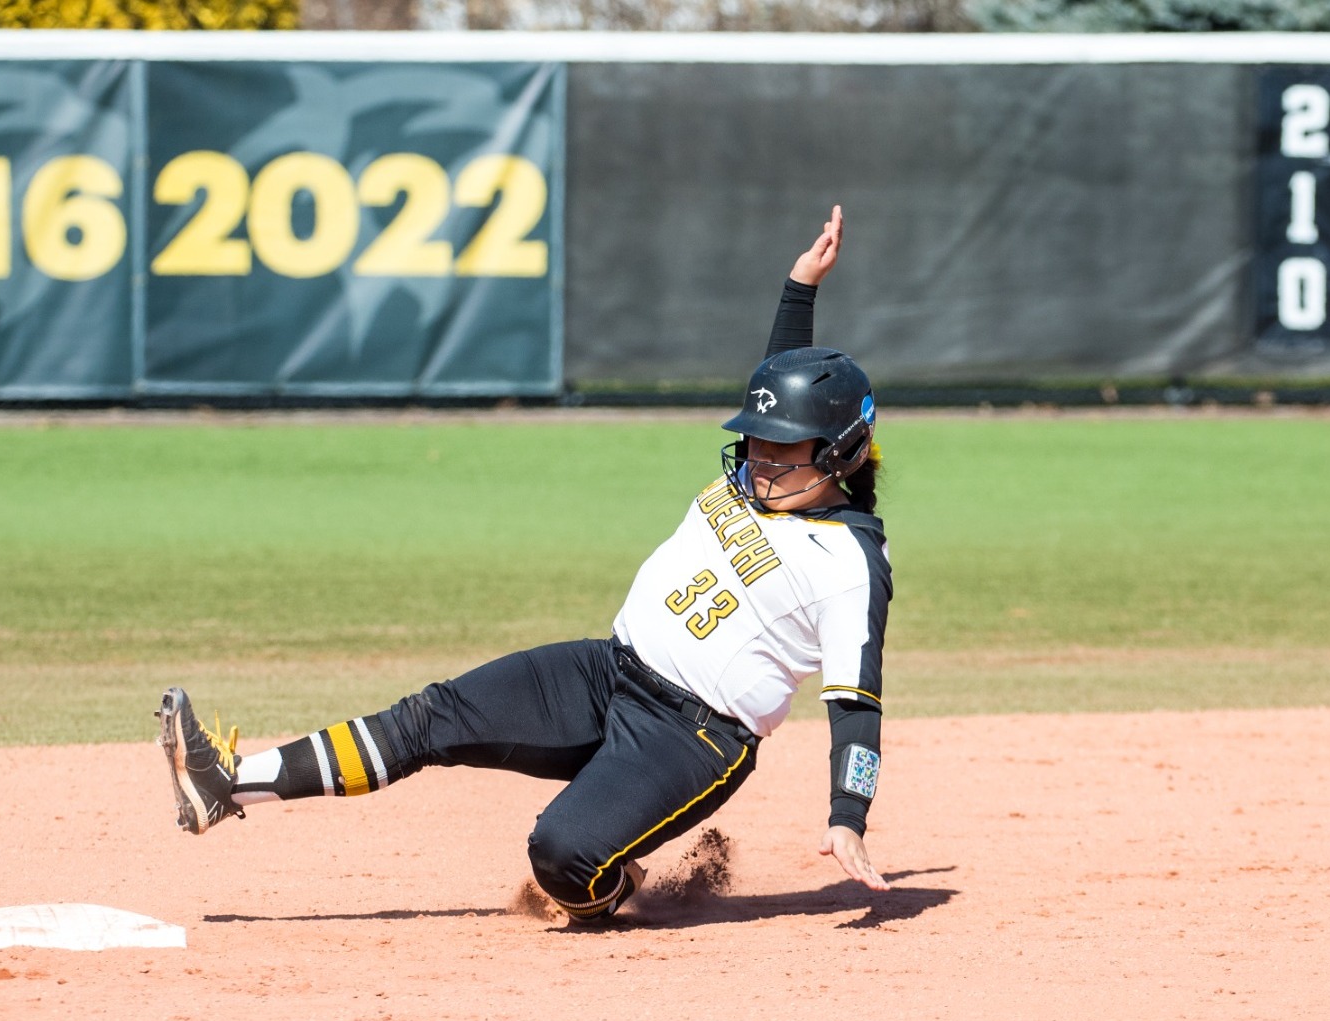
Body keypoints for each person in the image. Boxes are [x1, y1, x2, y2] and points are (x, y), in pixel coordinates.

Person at [156, 205, 893, 920]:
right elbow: (775, 381)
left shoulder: (851, 563)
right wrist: (802, 287)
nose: (759, 459)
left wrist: (847, 815)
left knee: (561, 854)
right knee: (429, 717)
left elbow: (856, 702)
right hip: (608, 671)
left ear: (839, 454)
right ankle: (227, 785)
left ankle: (614, 883)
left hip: (691, 738)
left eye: (781, 448)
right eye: (756, 441)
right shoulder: (762, 480)